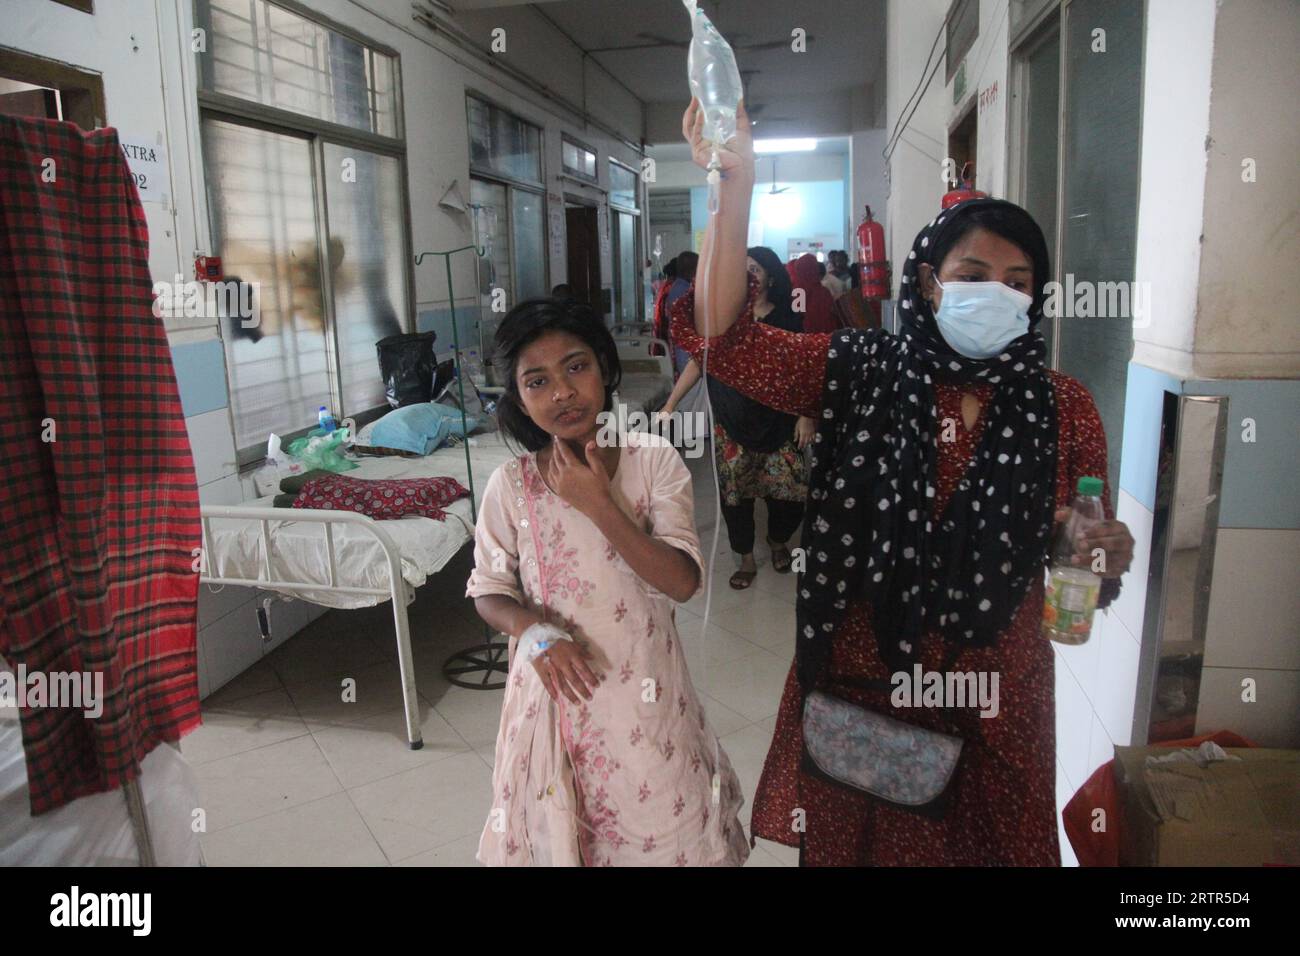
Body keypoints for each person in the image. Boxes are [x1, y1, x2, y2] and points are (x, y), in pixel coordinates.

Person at [674, 96, 1135, 866]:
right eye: (974, 273)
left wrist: (1093, 551)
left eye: (1019, 281)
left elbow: (1078, 568)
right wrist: (737, 183)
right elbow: (724, 338)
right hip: (869, 678)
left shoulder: (1065, 407)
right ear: (926, 282)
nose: (999, 293)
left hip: (999, 693)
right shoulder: (861, 372)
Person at [467, 295, 749, 867]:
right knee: (567, 833)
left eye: (576, 367)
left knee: (660, 826)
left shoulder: (653, 460)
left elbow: (681, 581)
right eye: (537, 381)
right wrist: (534, 632)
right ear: (519, 398)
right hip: (554, 695)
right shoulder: (512, 484)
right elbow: (489, 590)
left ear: (602, 366)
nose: (563, 392)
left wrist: (599, 505)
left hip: (644, 695)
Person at [657, 246, 815, 589]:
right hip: (732, 423)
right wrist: (670, 404)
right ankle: (744, 558)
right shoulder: (721, 323)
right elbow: (699, 362)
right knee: (735, 497)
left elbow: (803, 371)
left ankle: (777, 541)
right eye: (740, 270)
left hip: (780, 422)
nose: (748, 276)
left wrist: (806, 415)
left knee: (790, 496)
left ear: (770, 277)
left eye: (755, 269)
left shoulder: (788, 319)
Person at [786, 252, 836, 333]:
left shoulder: (798, 291)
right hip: (824, 337)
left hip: (805, 337)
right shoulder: (824, 291)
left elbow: (796, 318)